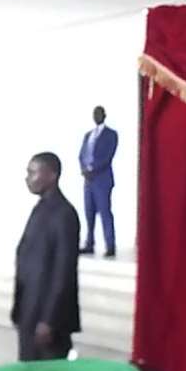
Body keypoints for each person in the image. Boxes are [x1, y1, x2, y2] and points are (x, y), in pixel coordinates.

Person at [12, 152, 80, 361]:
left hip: (47, 320)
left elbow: (63, 271)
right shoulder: (41, 209)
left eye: (33, 172)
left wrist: (49, 320)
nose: (28, 178)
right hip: (30, 310)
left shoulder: (64, 214)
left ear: (51, 175)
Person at [78, 106, 118, 258]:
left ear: (104, 115)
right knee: (89, 212)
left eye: (99, 113)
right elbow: (82, 154)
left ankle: (110, 245)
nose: (96, 116)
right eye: (94, 114)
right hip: (88, 180)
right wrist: (84, 169)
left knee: (105, 212)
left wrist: (93, 169)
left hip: (102, 180)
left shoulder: (111, 134)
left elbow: (108, 156)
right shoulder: (88, 135)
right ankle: (89, 243)